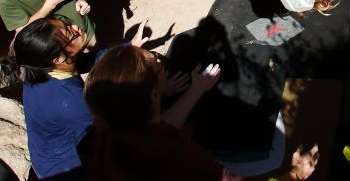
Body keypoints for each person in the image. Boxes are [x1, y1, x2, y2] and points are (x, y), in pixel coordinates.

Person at [81, 44, 319, 181]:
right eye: (157, 63)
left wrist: (196, 90)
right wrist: (295, 174)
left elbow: (157, 128)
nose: (161, 60)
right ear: (154, 94)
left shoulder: (110, 137)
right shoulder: (182, 158)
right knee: (276, 134)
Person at [12, 18, 192, 180]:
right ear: (58, 58)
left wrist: (128, 47)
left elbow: (87, 60)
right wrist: (158, 91)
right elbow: (119, 135)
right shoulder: (72, 102)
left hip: (47, 154)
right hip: (67, 169)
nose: (75, 27)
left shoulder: (38, 68)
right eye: (70, 33)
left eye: (66, 23)